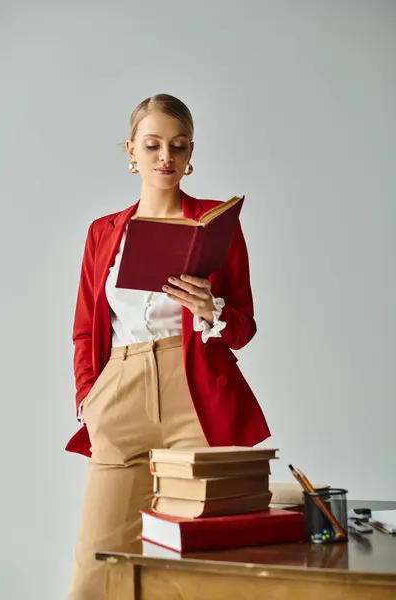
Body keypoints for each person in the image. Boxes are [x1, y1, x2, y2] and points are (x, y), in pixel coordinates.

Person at [65, 93, 270, 599]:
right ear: (131, 151)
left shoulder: (215, 221)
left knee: (198, 563)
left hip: (194, 393)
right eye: (152, 145)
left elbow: (243, 327)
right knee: (100, 560)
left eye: (177, 146)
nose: (165, 157)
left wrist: (211, 308)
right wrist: (88, 399)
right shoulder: (104, 232)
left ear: (190, 152)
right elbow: (86, 329)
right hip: (120, 391)